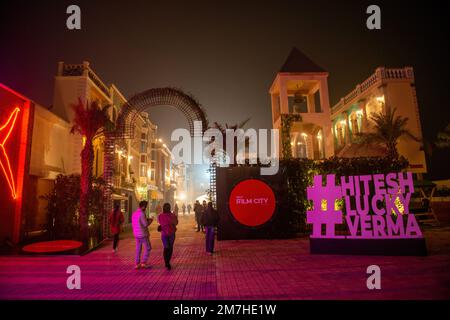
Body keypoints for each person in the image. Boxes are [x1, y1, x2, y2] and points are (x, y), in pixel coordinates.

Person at [132, 201, 153, 269]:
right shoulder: (142, 213)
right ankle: (144, 262)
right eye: (146, 206)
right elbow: (145, 224)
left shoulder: (134, 213)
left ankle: (137, 263)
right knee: (148, 248)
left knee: (138, 249)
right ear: (143, 206)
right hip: (143, 234)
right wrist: (150, 220)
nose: (146, 208)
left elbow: (138, 222)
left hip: (136, 234)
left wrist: (146, 219)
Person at [157, 203, 178, 270]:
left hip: (164, 234)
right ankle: (168, 262)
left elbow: (160, 222)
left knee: (166, 248)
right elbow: (176, 223)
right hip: (171, 233)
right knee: (170, 248)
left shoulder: (160, 216)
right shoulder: (172, 215)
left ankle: (166, 262)